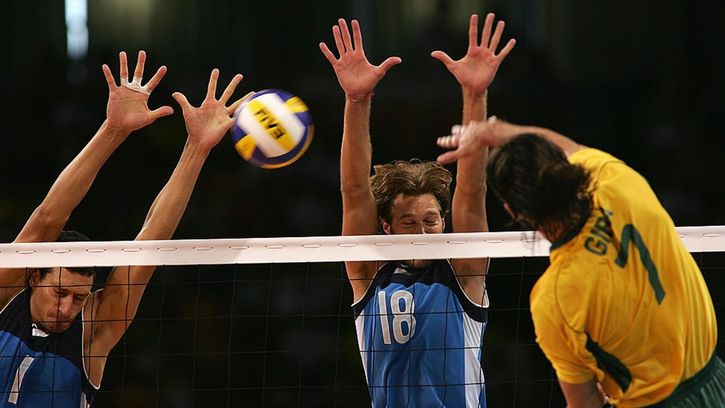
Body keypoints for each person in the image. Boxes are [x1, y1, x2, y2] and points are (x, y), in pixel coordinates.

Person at [0, 50, 244, 406]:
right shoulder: (6, 296)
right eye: (60, 292)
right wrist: (112, 130)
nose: (67, 308)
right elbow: (49, 216)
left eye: (79, 298)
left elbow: (149, 244)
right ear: (34, 277)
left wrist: (197, 148)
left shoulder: (92, 332)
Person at [437, 117, 724, 407]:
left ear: (513, 211)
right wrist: (492, 131)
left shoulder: (554, 297)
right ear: (562, 168)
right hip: (716, 380)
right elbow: (569, 147)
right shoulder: (615, 179)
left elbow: (585, 402)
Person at [319, 13, 515, 407]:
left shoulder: (463, 274)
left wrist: (475, 94)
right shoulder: (369, 275)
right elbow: (354, 192)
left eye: (430, 221)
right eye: (409, 223)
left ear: (444, 224)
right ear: (387, 227)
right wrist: (356, 100)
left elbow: (472, 191)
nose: (423, 233)